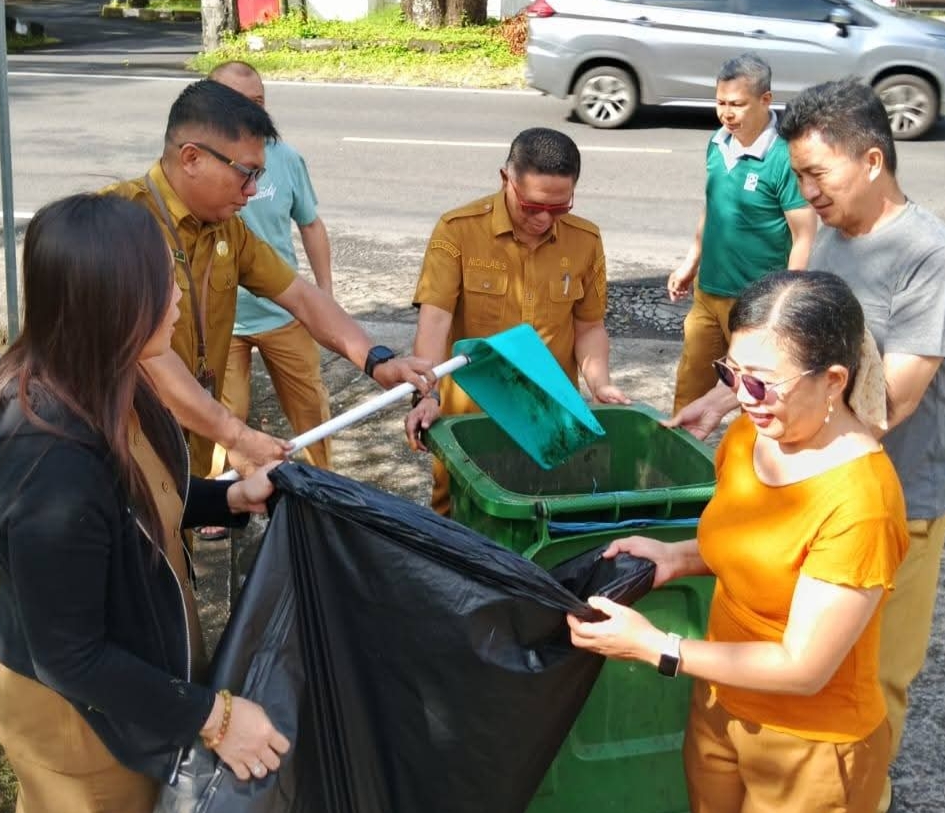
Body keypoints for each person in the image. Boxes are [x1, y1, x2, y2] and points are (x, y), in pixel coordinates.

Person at [674, 79, 945, 813]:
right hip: (809, 486)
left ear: (872, 161)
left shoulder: (932, 256)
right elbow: (791, 342)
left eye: (817, 174)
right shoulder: (836, 234)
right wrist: (730, 394)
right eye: (799, 174)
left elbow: (889, 402)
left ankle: (856, 792)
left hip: (894, 496)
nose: (806, 191)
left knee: (867, 675)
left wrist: (772, 439)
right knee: (794, 641)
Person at [0, 193, 290, 811]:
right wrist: (214, 718)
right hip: (82, 731)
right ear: (111, 303)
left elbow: (143, 501)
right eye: (161, 284)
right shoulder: (50, 470)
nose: (176, 298)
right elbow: (70, 657)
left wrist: (229, 499)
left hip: (136, 685)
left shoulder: (118, 384)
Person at [570, 270, 909, 813]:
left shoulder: (861, 503)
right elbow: (751, 547)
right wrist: (675, 558)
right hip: (719, 701)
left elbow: (804, 667)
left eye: (761, 382)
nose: (743, 397)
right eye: (733, 374)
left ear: (834, 379)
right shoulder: (755, 434)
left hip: (810, 746)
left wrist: (657, 646)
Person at [105, 79, 435, 485]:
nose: (253, 191)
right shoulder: (115, 224)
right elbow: (148, 356)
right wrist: (238, 436)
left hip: (186, 453)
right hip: (125, 451)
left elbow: (299, 296)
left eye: (258, 174)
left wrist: (378, 360)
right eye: (246, 173)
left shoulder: (228, 231)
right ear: (191, 158)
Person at [404, 127, 629, 515]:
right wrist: (427, 395)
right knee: (458, 513)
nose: (544, 218)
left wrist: (599, 383)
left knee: (546, 512)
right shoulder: (458, 231)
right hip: (471, 416)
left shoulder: (585, 241)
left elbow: (589, 327)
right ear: (505, 179)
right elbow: (435, 320)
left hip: (549, 414)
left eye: (559, 208)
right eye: (532, 206)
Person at [205, 61, 337, 476]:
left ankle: (326, 487)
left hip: (284, 309)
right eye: (236, 103)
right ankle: (221, 493)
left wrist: (324, 294)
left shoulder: (285, 158)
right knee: (223, 415)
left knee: (311, 407)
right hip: (223, 318)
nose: (251, 112)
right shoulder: (199, 163)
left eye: (258, 102)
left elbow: (311, 224)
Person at [668, 53, 815, 416]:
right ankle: (679, 466)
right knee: (689, 389)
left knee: (756, 397)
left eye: (737, 104)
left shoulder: (783, 157)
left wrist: (786, 304)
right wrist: (691, 261)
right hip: (708, 292)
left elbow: (804, 235)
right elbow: (713, 205)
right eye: (720, 103)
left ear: (765, 100)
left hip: (755, 303)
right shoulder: (718, 144)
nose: (726, 113)